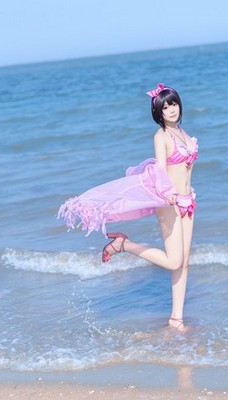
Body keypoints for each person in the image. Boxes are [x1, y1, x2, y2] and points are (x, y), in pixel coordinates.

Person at [58, 83, 198, 332]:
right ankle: (123, 245)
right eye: (165, 107)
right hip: (170, 202)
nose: (171, 110)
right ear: (158, 112)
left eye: (174, 104)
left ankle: (176, 319)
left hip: (189, 202)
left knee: (184, 263)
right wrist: (169, 195)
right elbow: (160, 171)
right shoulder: (162, 136)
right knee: (174, 261)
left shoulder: (183, 133)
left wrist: (186, 195)